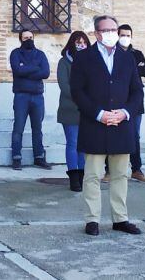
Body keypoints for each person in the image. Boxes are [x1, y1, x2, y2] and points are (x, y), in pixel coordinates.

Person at [70, 15, 144, 237]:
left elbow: (137, 91)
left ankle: (120, 219)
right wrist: (99, 114)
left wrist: (125, 112)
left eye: (115, 29)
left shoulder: (127, 58)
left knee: (121, 174)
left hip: (121, 125)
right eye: (107, 30)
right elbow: (77, 92)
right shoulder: (83, 58)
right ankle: (92, 219)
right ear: (97, 33)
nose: (113, 33)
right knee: (92, 175)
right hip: (95, 124)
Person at [9, 30, 51, 171]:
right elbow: (17, 70)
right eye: (25, 37)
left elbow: (45, 73)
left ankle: (39, 157)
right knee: (18, 128)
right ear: (20, 39)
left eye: (31, 37)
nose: (29, 39)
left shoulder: (40, 54)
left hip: (38, 96)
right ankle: (16, 158)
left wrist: (25, 69)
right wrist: (35, 68)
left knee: (37, 128)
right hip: (21, 96)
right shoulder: (15, 53)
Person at [117, 24, 145, 183]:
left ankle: (136, 169)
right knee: (113, 133)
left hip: (135, 101)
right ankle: (109, 170)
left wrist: (131, 70)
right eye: (122, 34)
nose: (125, 38)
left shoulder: (137, 53)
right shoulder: (112, 52)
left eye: (128, 35)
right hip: (116, 100)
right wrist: (134, 69)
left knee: (134, 136)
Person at [57, 31, 90, 192]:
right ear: (72, 43)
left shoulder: (91, 62)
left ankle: (83, 176)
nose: (81, 45)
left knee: (83, 145)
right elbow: (64, 86)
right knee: (73, 142)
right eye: (78, 42)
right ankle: (73, 178)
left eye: (84, 42)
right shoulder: (64, 62)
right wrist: (82, 98)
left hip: (87, 110)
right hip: (70, 108)